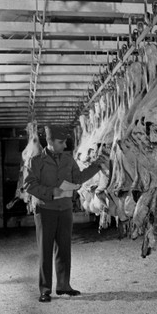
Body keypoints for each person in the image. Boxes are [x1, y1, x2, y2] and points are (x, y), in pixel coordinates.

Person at [24, 125, 107, 303]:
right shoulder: (36, 161)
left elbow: (77, 178)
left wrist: (97, 166)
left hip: (65, 209)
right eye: (60, 142)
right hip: (45, 210)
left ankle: (63, 285)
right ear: (50, 141)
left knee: (64, 248)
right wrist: (52, 191)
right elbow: (29, 185)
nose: (64, 145)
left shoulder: (68, 159)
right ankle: (45, 290)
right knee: (45, 250)